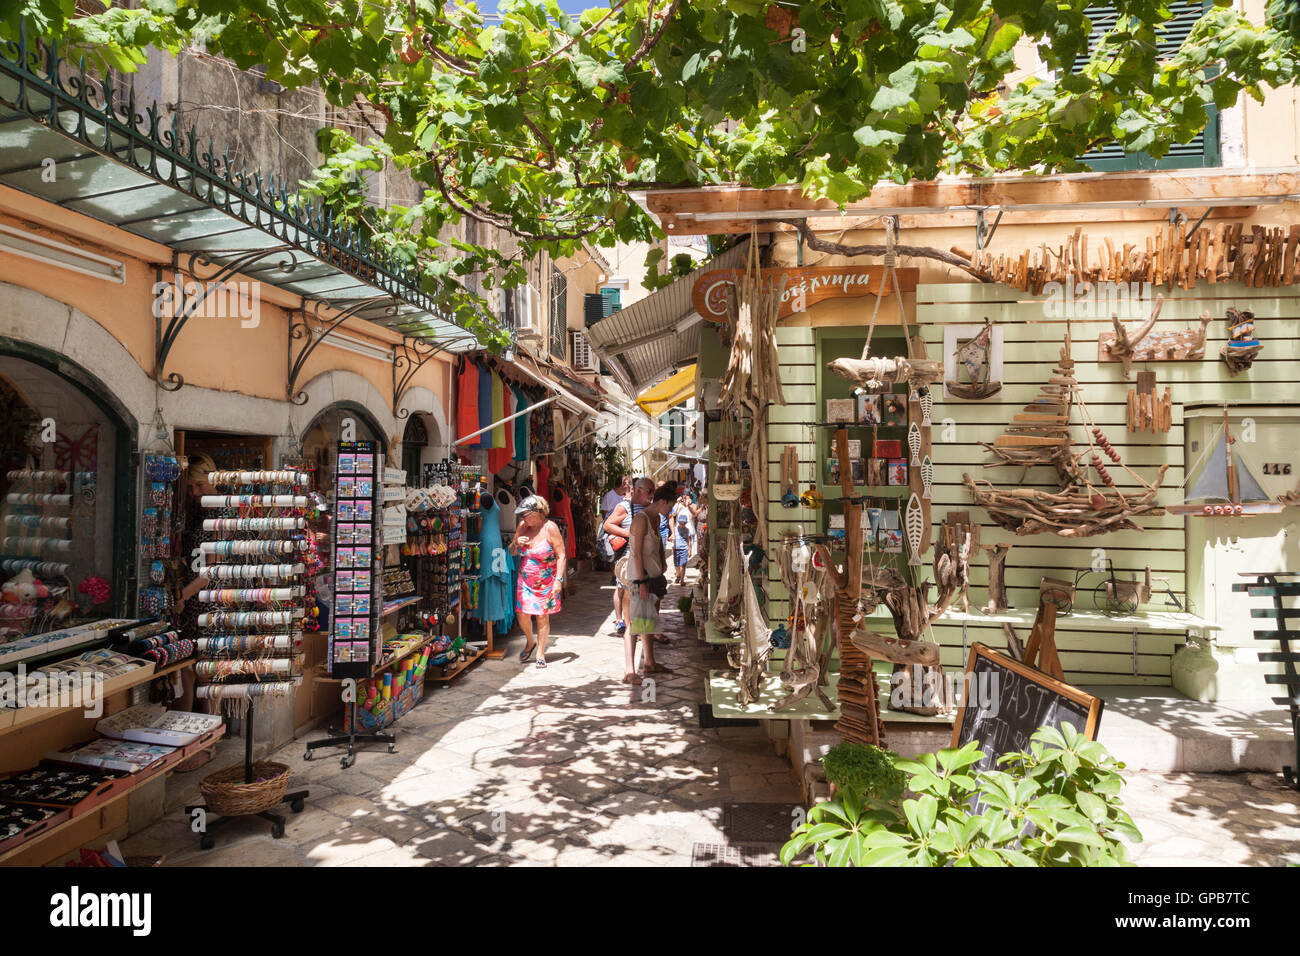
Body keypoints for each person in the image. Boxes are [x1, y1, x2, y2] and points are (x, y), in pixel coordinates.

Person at [624, 481, 677, 684]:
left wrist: (663, 562)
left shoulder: (655, 519)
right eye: (669, 506)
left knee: (647, 620)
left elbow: (658, 544)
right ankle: (630, 671)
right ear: (662, 502)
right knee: (634, 624)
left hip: (652, 576)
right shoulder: (641, 519)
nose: (670, 511)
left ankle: (650, 663)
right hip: (640, 578)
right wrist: (642, 582)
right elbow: (636, 553)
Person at [511, 494, 566, 668]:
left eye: (525, 514)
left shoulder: (550, 528)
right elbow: (512, 551)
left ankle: (540, 652)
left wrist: (559, 580)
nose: (522, 518)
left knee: (542, 617)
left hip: (546, 580)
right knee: (522, 614)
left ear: (537, 513)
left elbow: (561, 555)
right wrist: (516, 543)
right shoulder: (522, 526)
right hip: (525, 580)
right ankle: (530, 641)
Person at [602, 477, 651, 637]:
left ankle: (639, 628)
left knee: (640, 594)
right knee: (626, 591)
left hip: (645, 558)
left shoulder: (648, 507)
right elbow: (607, 524)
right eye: (649, 491)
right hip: (627, 557)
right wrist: (630, 533)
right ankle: (626, 624)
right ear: (636, 490)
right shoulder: (624, 506)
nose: (651, 495)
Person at [670, 493, 694, 585]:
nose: (685, 498)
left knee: (683, 564)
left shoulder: (687, 529)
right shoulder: (675, 529)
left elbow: (688, 539)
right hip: (676, 548)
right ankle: (678, 576)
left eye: (686, 497)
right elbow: (673, 513)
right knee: (676, 564)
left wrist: (690, 549)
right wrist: (677, 502)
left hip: (684, 548)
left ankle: (682, 579)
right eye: (683, 497)